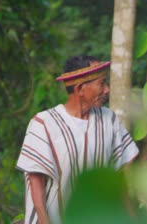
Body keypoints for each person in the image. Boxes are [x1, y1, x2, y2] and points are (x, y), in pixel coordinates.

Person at [16, 55, 139, 224]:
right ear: (80, 89)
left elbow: (118, 176)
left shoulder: (109, 120)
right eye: (102, 83)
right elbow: (36, 179)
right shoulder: (44, 124)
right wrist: (44, 221)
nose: (107, 90)